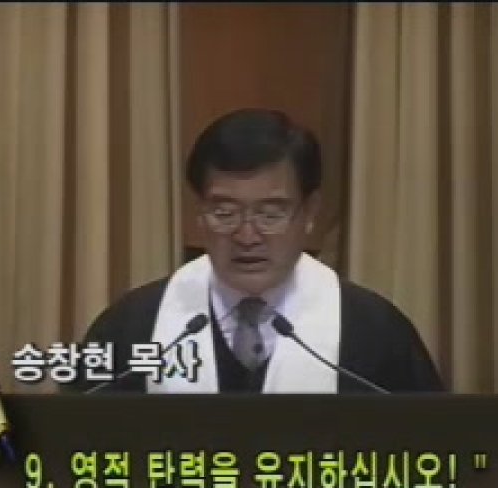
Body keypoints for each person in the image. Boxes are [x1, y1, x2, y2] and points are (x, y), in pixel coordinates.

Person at [79, 109, 443, 394]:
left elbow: (431, 451)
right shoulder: (133, 326)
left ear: (310, 213)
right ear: (199, 213)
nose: (247, 235)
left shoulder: (374, 331)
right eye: (225, 212)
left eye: (271, 214)